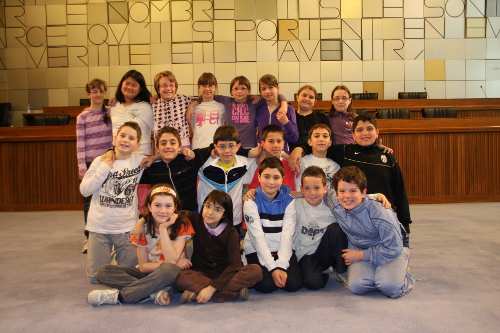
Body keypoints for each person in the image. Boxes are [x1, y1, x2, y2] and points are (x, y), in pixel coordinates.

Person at [289, 115, 412, 234]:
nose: (365, 133)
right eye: (360, 130)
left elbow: (399, 190)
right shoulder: (344, 152)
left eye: (369, 129)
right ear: (353, 135)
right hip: (353, 215)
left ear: (377, 132)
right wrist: (300, 149)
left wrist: (405, 224)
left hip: (381, 213)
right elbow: (320, 146)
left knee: (387, 250)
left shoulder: (387, 156)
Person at [86, 184, 194, 306]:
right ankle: (153, 292)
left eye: (168, 206)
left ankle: (120, 296)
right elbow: (143, 267)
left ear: (175, 208)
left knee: (168, 269)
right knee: (104, 271)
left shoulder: (183, 225)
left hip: (172, 276)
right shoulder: (143, 228)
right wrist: (171, 262)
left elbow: (171, 261)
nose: (163, 211)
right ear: (149, 206)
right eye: (157, 205)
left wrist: (163, 229)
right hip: (150, 274)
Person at [325, 166, 415, 298]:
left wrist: (361, 255)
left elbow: (393, 247)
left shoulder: (380, 213)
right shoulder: (335, 201)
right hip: (360, 245)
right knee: (357, 287)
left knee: (389, 287)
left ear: (363, 192)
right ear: (336, 193)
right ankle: (379, 270)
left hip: (390, 248)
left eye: (353, 191)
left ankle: (402, 270)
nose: (347, 196)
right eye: (342, 191)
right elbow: (315, 193)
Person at [80, 122, 145, 284]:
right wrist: (104, 168)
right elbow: (85, 190)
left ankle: (118, 265)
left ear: (137, 145)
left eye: (131, 138)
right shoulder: (99, 161)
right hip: (99, 228)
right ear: (114, 139)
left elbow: (160, 158)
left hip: (126, 230)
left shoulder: (139, 162)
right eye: (122, 136)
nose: (125, 140)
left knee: (132, 275)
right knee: (96, 278)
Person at [175, 190, 263, 303]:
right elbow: (172, 212)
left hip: (226, 274)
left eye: (217, 209)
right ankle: (232, 293)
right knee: (181, 278)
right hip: (202, 274)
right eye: (207, 206)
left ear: (225, 214)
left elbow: (234, 265)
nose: (210, 212)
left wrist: (211, 289)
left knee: (256, 271)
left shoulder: (231, 232)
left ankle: (203, 292)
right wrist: (144, 220)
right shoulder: (195, 219)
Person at [243, 157, 302, 293]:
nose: (271, 182)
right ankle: (245, 263)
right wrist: (272, 268)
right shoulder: (250, 202)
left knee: (293, 284)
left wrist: (281, 265)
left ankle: (276, 266)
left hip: (281, 249)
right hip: (257, 249)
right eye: (266, 177)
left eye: (276, 177)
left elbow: (287, 235)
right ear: (259, 177)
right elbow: (257, 237)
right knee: (266, 286)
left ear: (282, 179)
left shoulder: (289, 201)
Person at [187, 76, 289, 148]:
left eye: (243, 88)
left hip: (250, 146)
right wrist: (192, 105)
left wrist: (284, 103)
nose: (239, 92)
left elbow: (276, 96)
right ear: (231, 92)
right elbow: (207, 95)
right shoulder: (226, 101)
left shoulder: (254, 102)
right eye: (236, 89)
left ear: (249, 91)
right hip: (231, 146)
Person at [294, 166, 348, 290]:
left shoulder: (332, 207)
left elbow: (354, 197)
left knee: (336, 229)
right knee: (313, 283)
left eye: (317, 188)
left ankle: (341, 271)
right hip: (305, 254)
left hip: (323, 252)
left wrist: (377, 195)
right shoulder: (295, 205)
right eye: (307, 188)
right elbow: (276, 195)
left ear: (325, 188)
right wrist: (253, 192)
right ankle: (324, 271)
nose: (312, 193)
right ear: (301, 189)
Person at [197, 125, 257, 237]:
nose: (227, 151)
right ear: (215, 146)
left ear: (238, 146)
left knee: (233, 252)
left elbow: (261, 154)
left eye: (231, 146)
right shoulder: (205, 164)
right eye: (222, 146)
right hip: (209, 219)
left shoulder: (244, 163)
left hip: (234, 220)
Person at [76, 78, 113, 253]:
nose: (98, 94)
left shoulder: (111, 113)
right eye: (94, 91)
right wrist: (82, 167)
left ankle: (108, 237)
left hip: (108, 163)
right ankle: (89, 238)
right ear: (88, 94)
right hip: (91, 164)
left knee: (108, 200)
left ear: (105, 93)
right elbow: (80, 144)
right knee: (89, 203)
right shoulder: (82, 117)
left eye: (101, 91)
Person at [110, 70, 154, 155]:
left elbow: (156, 129)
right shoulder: (114, 106)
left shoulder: (146, 107)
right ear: (121, 84)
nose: (129, 87)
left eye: (134, 85)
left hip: (141, 154)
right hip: (119, 155)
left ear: (140, 89)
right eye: (127, 83)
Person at [151, 71, 196, 148]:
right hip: (161, 146)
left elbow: (201, 99)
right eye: (164, 85)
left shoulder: (184, 99)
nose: (168, 88)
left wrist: (192, 105)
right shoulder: (153, 103)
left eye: (171, 85)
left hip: (182, 144)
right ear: (158, 89)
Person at [256, 74, 298, 153]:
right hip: (262, 155)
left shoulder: (289, 109)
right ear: (260, 92)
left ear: (278, 88)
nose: (267, 91)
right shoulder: (259, 109)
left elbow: (294, 138)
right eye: (263, 89)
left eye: (271, 87)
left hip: (282, 155)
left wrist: (286, 123)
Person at [248, 124, 295, 191]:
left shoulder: (291, 164)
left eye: (279, 141)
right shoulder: (253, 163)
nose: (275, 145)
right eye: (271, 141)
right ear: (263, 144)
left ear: (283, 143)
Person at [294, 124, 339, 191]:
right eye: (317, 136)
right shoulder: (301, 162)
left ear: (330, 142)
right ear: (310, 142)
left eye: (325, 136)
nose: (321, 139)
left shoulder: (335, 167)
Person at [190, 72, 225, 149]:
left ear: (215, 87)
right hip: (198, 147)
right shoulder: (193, 108)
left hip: (217, 147)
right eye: (204, 86)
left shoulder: (222, 107)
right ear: (199, 88)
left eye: (210, 86)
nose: (207, 89)